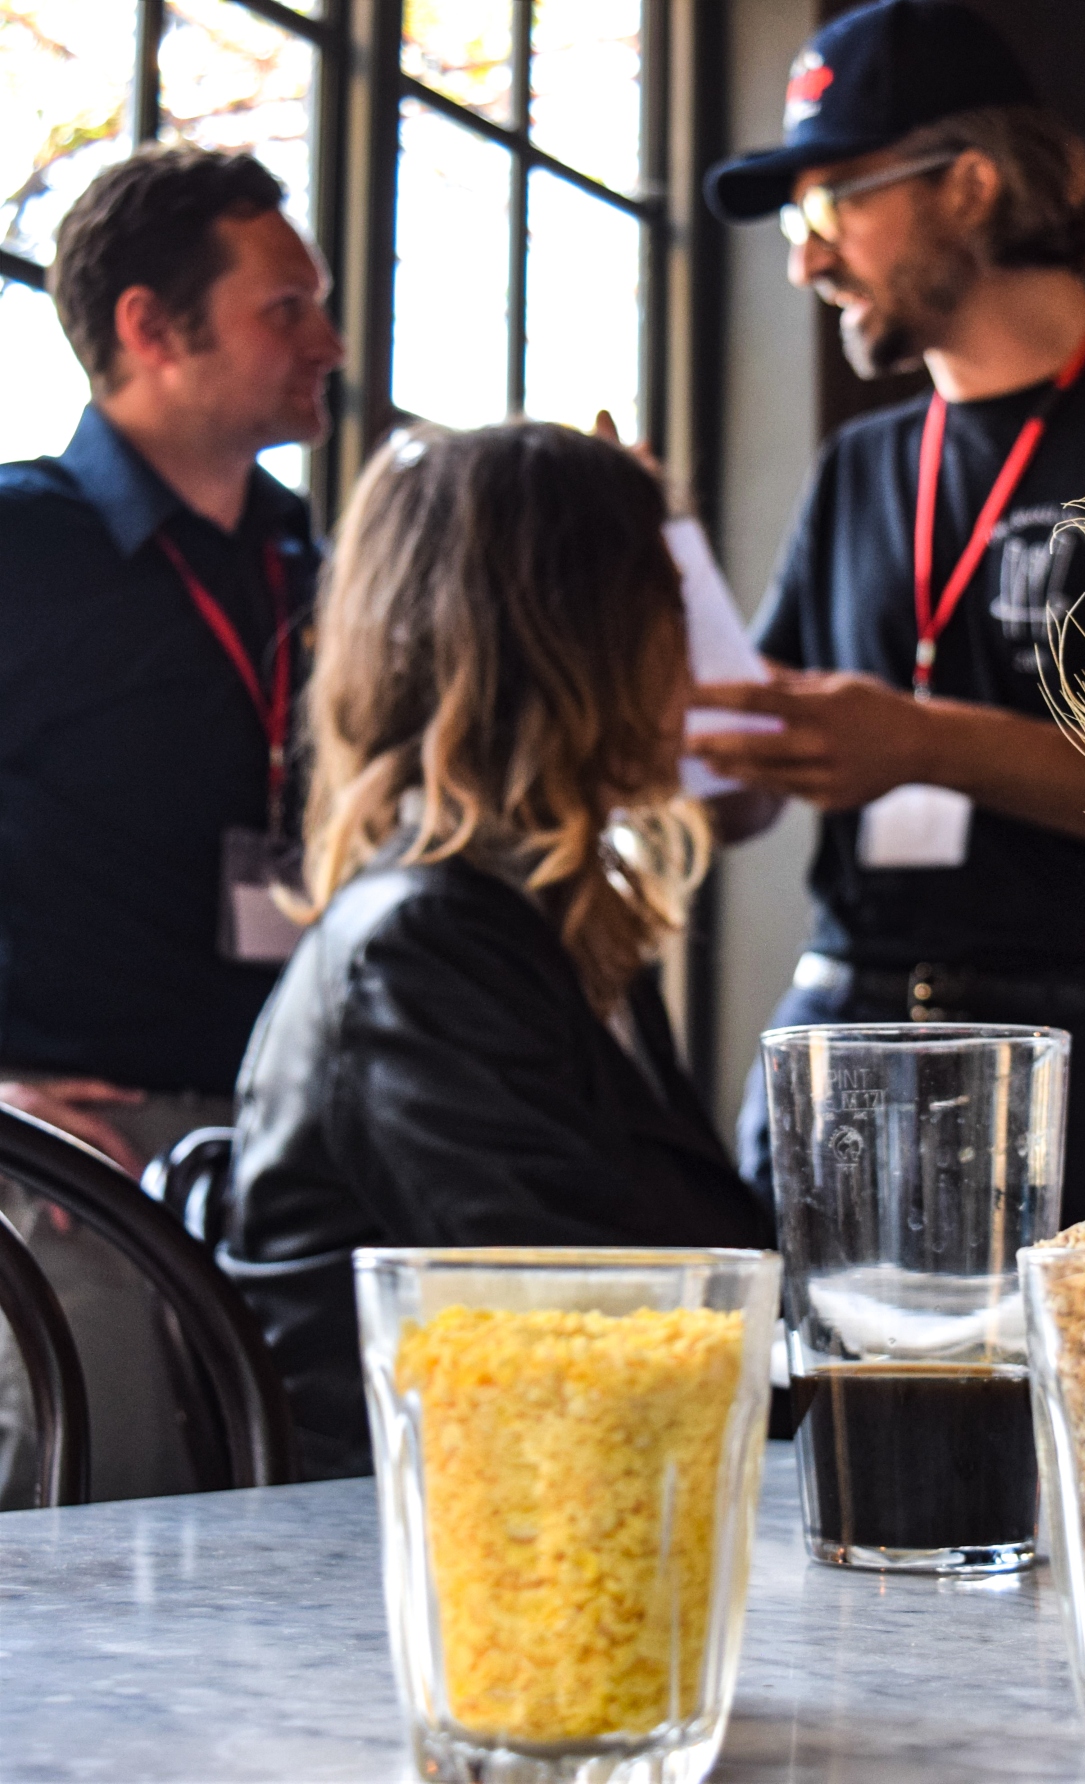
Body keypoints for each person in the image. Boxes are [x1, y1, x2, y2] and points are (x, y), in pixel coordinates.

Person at [692, 0, 1085, 1227]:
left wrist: (925, 741)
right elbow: (745, 786)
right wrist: (666, 699)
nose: (804, 260)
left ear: (969, 186)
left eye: (830, 207)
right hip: (848, 1044)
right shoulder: (854, 466)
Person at [220, 422, 774, 1478]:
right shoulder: (423, 949)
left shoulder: (538, 919)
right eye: (669, 598)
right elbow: (605, 1325)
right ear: (584, 636)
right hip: (435, 1571)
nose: (697, 648)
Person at [0, 147, 343, 1172]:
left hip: (308, 1141)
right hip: (78, 1159)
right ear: (150, 327)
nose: (328, 343)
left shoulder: (315, 567)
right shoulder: (19, 544)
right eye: (286, 309)